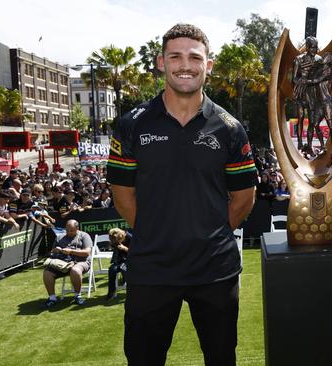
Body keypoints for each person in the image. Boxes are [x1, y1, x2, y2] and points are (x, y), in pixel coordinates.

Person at [107, 23, 257, 366]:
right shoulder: (132, 123)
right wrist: (159, 232)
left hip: (215, 270)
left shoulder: (230, 128)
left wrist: (209, 235)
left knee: (221, 359)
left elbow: (244, 199)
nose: (184, 64)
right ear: (161, 62)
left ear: (209, 64)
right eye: (175, 56)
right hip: (152, 268)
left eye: (194, 56)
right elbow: (122, 195)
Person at [42, 220, 93, 307]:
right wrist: (55, 250)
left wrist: (71, 251)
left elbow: (87, 252)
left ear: (77, 228)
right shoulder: (59, 237)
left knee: (75, 270)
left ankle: (78, 296)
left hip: (81, 261)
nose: (69, 232)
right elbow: (52, 252)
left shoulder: (84, 236)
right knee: (47, 272)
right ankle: (52, 298)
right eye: (67, 230)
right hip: (62, 263)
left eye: (71, 230)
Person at [106, 227, 131, 300]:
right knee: (112, 270)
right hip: (120, 260)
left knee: (124, 268)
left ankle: (131, 291)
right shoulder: (114, 239)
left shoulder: (131, 237)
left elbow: (137, 252)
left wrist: (125, 248)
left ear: (122, 236)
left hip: (131, 261)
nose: (117, 242)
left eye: (118, 240)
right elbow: (113, 247)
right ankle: (111, 292)